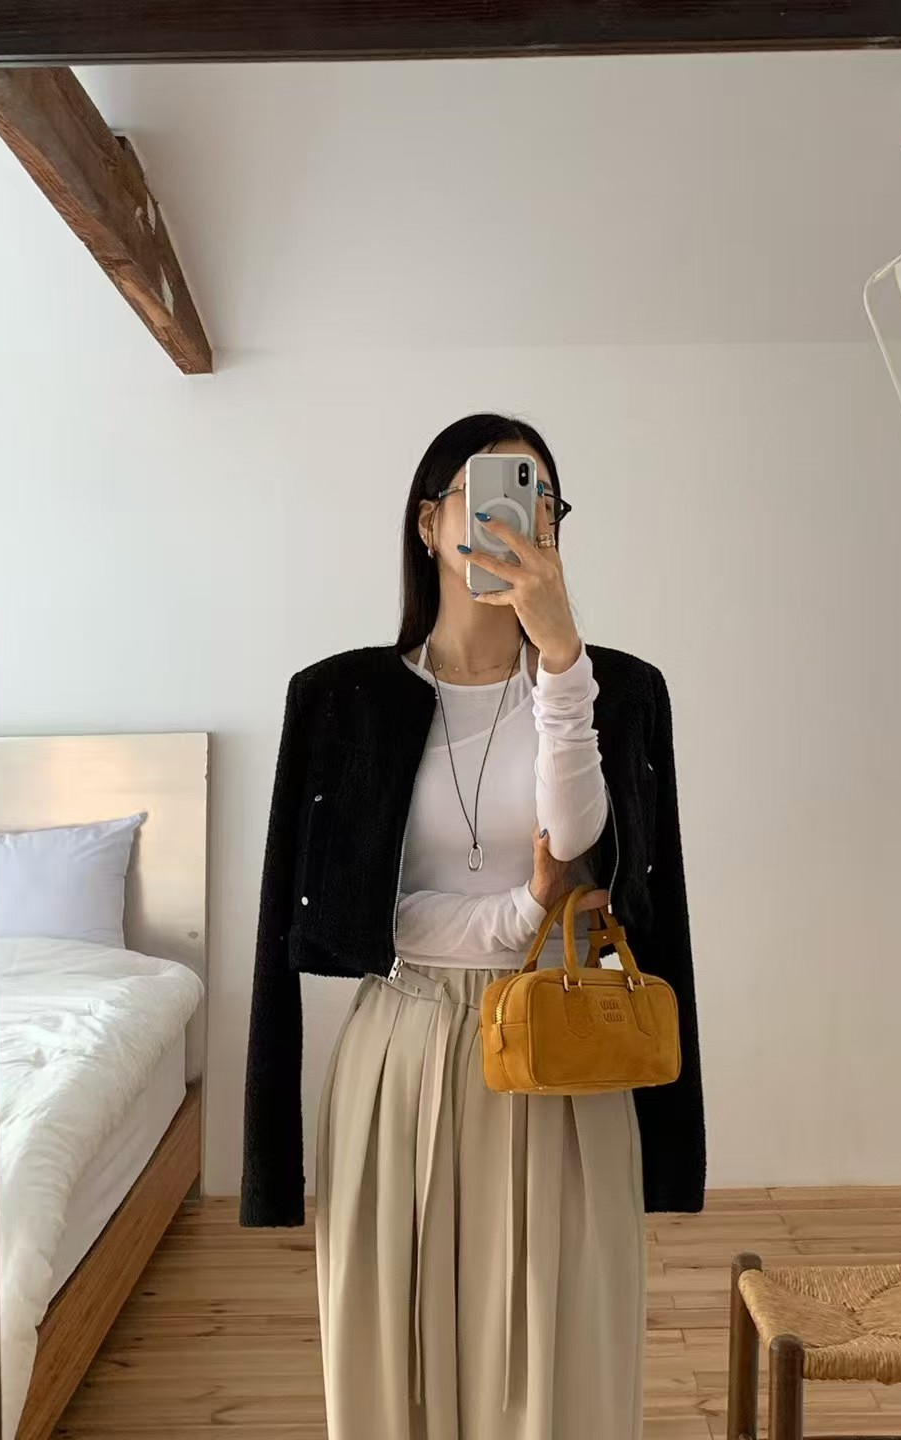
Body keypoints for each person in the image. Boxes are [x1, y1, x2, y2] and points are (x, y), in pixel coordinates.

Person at [240, 413, 706, 1440]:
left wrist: (562, 655)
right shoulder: (339, 699)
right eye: (490, 490)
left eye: (540, 498)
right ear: (428, 522)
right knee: (391, 1366)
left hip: (562, 1054)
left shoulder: (616, 690)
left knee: (560, 1367)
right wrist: (521, 911)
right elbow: (349, 914)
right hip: (400, 1051)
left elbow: (577, 844)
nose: (516, 515)